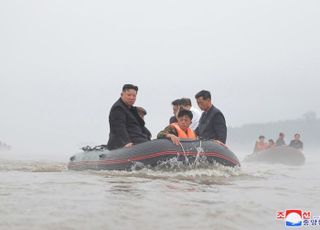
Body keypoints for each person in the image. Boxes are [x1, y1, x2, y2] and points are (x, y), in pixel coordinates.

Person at [106, 84, 151, 150]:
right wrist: (126, 142)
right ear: (122, 94)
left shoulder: (132, 110)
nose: (132, 98)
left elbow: (140, 126)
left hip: (139, 139)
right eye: (129, 95)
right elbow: (119, 127)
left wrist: (148, 135)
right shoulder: (118, 108)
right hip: (124, 143)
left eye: (134, 96)